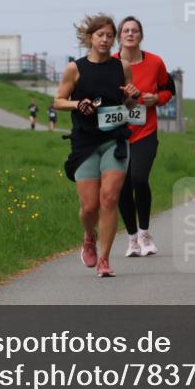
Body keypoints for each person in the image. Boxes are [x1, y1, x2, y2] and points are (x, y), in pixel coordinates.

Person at [54, 14, 139, 278]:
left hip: (115, 140)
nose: (105, 40)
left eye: (109, 35)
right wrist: (77, 104)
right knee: (90, 206)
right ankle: (89, 236)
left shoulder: (122, 67)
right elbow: (58, 101)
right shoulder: (75, 69)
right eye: (100, 35)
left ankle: (104, 259)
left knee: (110, 198)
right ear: (90, 38)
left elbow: (128, 107)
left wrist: (132, 98)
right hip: (85, 142)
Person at [114, 16, 174, 257]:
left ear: (141, 36)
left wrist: (157, 99)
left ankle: (145, 233)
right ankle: (131, 239)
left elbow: (169, 89)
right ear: (119, 36)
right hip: (117, 132)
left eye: (135, 31)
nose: (130, 34)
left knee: (139, 179)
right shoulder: (110, 63)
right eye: (126, 31)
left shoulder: (155, 62)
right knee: (122, 186)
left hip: (145, 131)